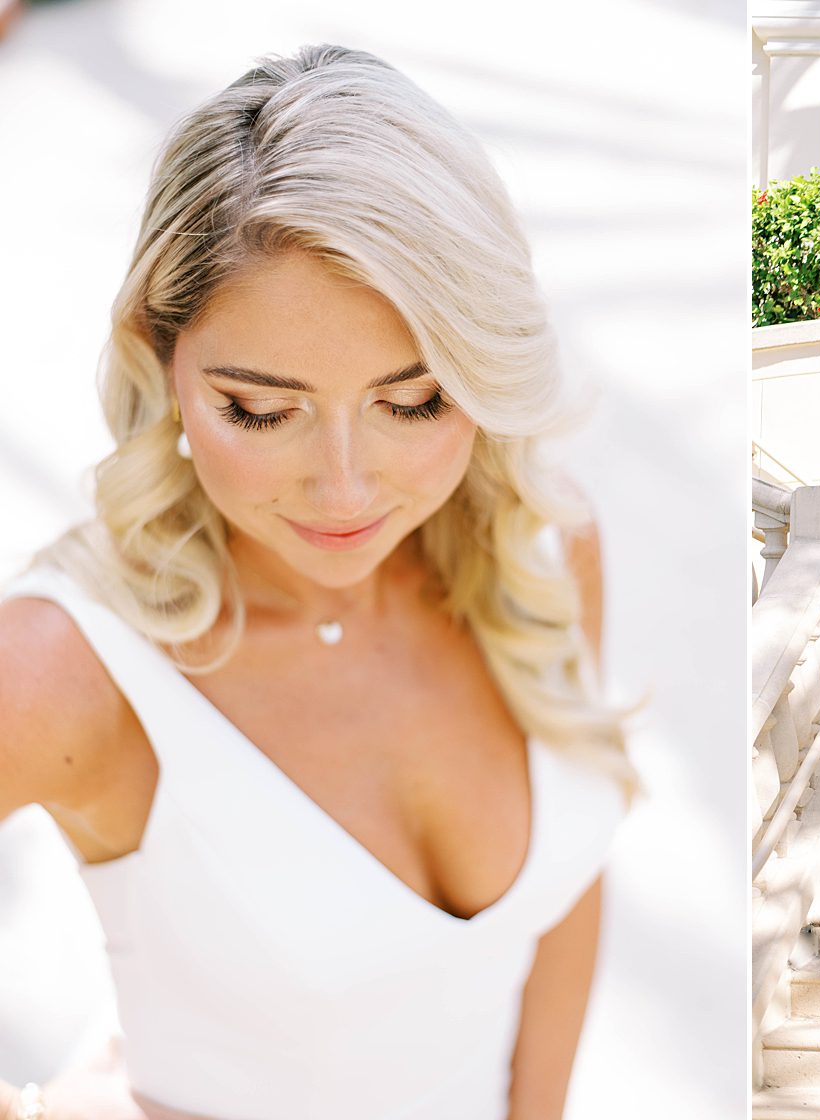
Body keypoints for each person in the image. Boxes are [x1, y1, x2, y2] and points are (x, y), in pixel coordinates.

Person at [0, 44, 638, 1120]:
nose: (345, 487)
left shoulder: (544, 548)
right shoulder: (65, 665)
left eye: (416, 400)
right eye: (260, 408)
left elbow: (564, 896)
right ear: (160, 359)